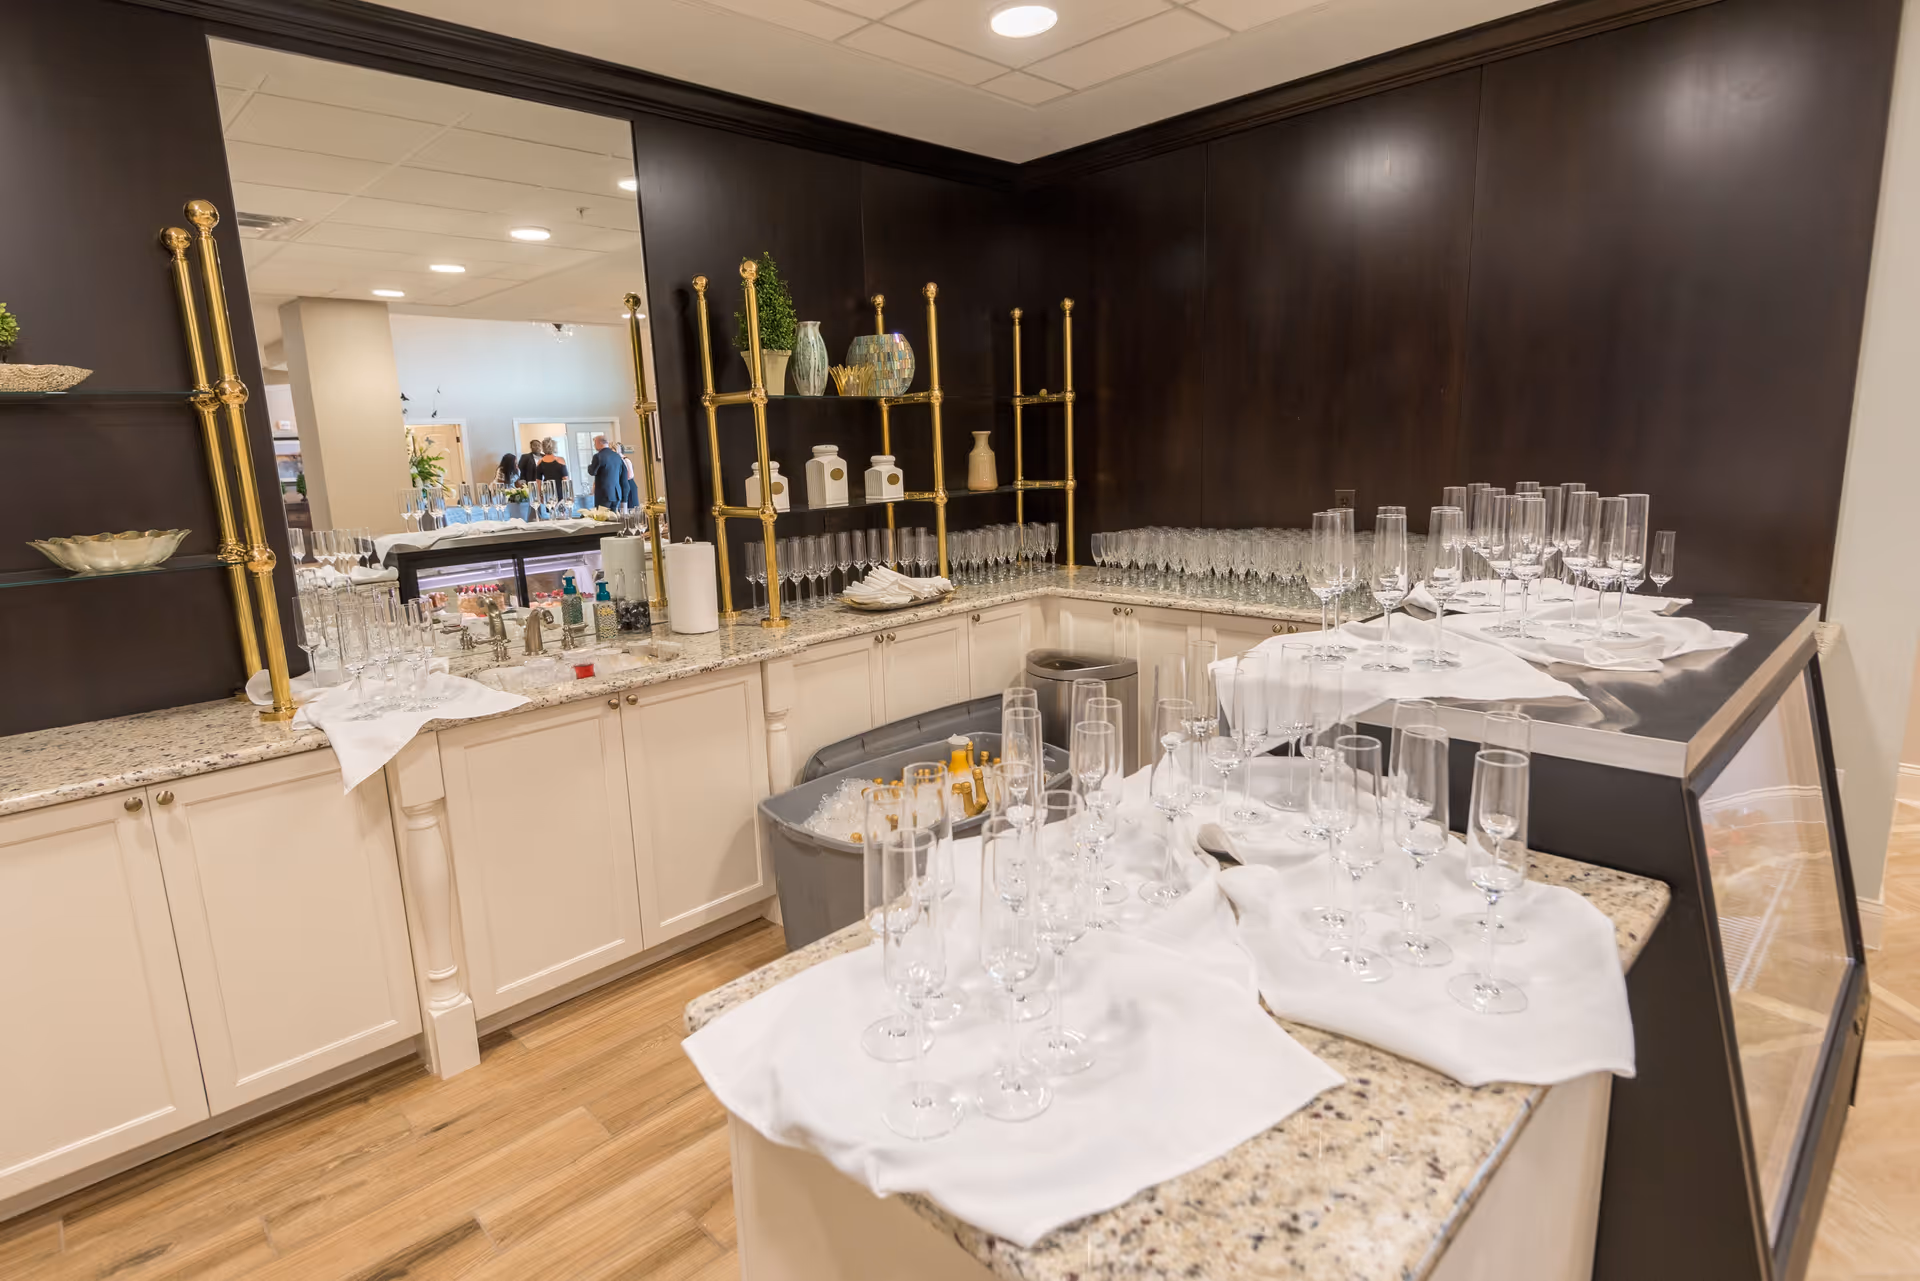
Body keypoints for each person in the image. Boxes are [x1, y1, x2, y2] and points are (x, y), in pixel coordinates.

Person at [587, 434, 624, 510]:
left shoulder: (598, 456)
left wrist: (589, 466)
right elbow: (620, 472)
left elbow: (592, 472)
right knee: (615, 519)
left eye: (595, 443)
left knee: (603, 519)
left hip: (604, 494)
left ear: (600, 443)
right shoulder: (617, 456)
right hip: (617, 493)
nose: (594, 446)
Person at [618, 443, 641, 510]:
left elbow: (630, 475)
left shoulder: (626, 460)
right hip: (623, 485)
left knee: (631, 508)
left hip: (629, 484)